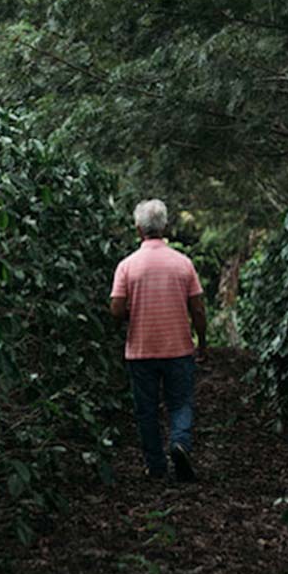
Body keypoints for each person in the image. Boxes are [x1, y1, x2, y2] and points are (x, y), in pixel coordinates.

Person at [110, 199, 207, 483]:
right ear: (165, 227)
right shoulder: (183, 264)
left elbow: (116, 308)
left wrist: (135, 308)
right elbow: (198, 308)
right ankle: (179, 444)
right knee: (180, 403)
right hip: (178, 348)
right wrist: (202, 342)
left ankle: (155, 465)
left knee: (146, 410)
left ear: (139, 229)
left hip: (140, 351)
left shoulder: (127, 266)